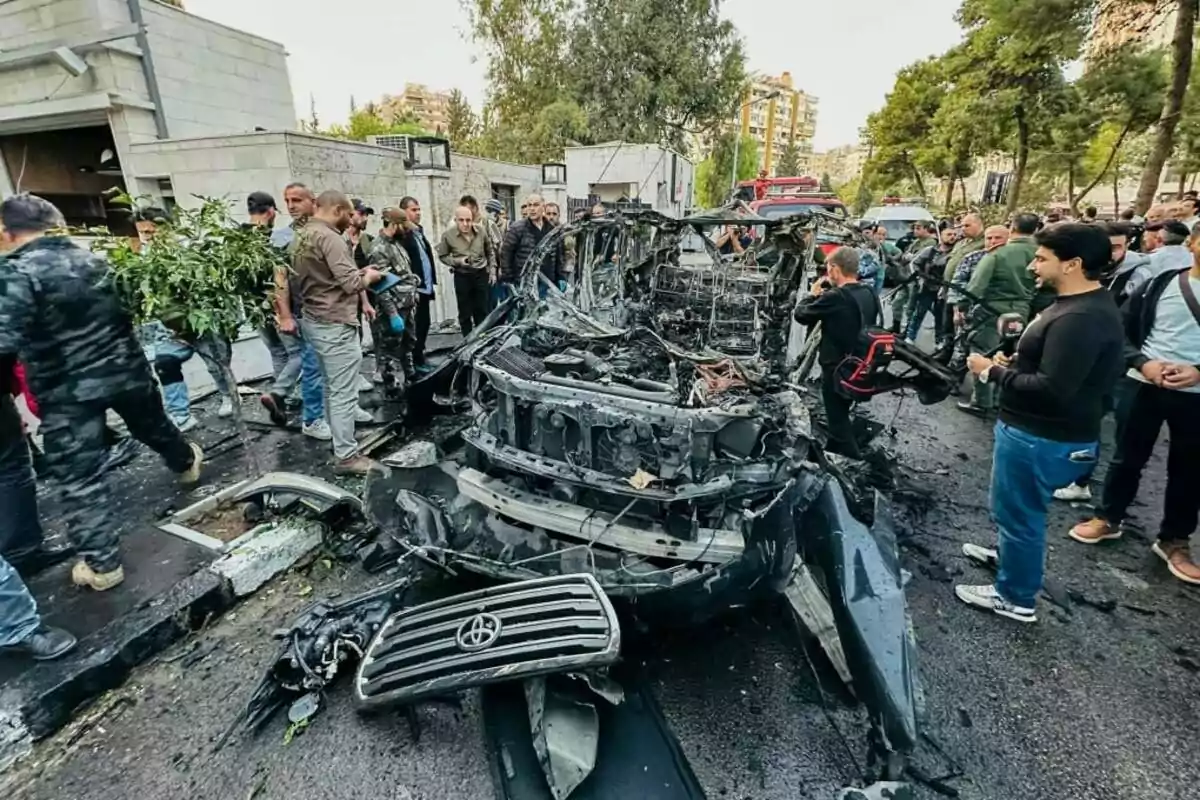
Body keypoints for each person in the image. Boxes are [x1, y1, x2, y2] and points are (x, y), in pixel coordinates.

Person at [0, 194, 203, 591]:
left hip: (68, 391)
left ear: (7, 232)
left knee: (79, 477)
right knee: (154, 427)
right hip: (127, 372)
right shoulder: (98, 260)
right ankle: (185, 462)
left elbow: (3, 343)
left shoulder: (15, 273)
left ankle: (103, 564)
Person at [956, 224, 1124, 623]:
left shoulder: (1081, 317)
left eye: (1042, 258)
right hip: (1036, 431)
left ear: (1073, 264)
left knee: (1022, 516)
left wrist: (989, 373)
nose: (1033, 265)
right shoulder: (1072, 304)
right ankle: (1012, 559)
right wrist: (1017, 363)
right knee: (1015, 512)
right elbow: (1058, 368)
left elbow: (1054, 389)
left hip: (1042, 436)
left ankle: (1015, 596)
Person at [1067, 226, 1200, 584]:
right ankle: (1109, 517)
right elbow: (1121, 328)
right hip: (1143, 384)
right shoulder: (1161, 283)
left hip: (1196, 395)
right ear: (1191, 243)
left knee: (1189, 470)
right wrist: (1143, 363)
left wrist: (1197, 371)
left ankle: (1174, 539)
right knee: (1127, 456)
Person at [1053, 221, 1153, 502]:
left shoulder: (1140, 276)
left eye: (1118, 247)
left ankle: (1094, 490)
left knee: (1110, 430)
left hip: (1123, 365)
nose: (1111, 255)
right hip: (1095, 356)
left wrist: (1138, 360)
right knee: (1084, 420)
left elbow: (1130, 325)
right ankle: (1077, 476)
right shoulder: (1094, 275)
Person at [291, 191, 384, 475]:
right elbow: (350, 284)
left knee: (332, 388)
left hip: (314, 319)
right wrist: (370, 276)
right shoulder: (331, 237)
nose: (351, 219)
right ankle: (346, 456)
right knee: (343, 393)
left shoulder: (301, 235)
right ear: (339, 210)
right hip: (334, 323)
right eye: (349, 213)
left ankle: (340, 443)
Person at [133, 207, 236, 422]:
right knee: (165, 363)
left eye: (152, 232)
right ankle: (180, 415)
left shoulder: (188, 250)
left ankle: (229, 397)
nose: (148, 238)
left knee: (217, 365)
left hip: (202, 321)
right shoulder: (145, 257)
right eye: (143, 233)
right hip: (171, 327)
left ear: (167, 228)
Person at [793, 247, 881, 459]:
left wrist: (811, 295)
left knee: (838, 418)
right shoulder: (868, 292)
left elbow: (801, 315)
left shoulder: (836, 296)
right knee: (840, 411)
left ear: (834, 268)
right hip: (860, 364)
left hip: (837, 367)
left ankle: (854, 464)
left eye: (828, 268)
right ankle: (830, 452)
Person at [258, 184, 329, 441]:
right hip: (305, 312)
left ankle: (326, 410)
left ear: (313, 201)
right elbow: (280, 280)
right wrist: (285, 315)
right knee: (311, 366)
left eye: (297, 200)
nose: (291, 205)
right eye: (287, 200)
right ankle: (313, 418)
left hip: (327, 311)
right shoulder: (282, 238)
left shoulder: (322, 230)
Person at [956, 218, 1037, 415]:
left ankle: (981, 402)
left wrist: (962, 307)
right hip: (1024, 312)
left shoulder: (997, 255)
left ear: (1012, 228)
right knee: (1010, 355)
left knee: (982, 352)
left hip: (992, 312)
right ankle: (1002, 399)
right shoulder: (1043, 253)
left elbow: (975, 287)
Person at [367, 208, 420, 396]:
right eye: (403, 226)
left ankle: (410, 376)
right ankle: (391, 386)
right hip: (394, 308)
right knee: (389, 348)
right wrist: (392, 313)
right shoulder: (378, 249)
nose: (407, 230)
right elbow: (381, 286)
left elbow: (403, 274)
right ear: (394, 225)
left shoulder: (397, 244)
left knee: (408, 343)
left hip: (407, 305)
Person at [436, 204, 496, 336]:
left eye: (468, 220)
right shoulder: (448, 235)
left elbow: (490, 251)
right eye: (461, 220)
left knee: (482, 310)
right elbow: (442, 256)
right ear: (456, 220)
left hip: (480, 274)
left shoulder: (481, 231)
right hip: (462, 276)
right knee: (464, 312)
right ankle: (467, 341)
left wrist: (492, 270)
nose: (465, 224)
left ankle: (481, 339)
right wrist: (457, 262)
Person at [397, 197, 437, 372]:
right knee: (416, 327)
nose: (418, 213)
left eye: (419, 209)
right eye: (413, 210)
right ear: (404, 212)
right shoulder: (403, 235)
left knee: (424, 323)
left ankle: (420, 357)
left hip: (425, 288)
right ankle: (414, 362)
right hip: (414, 290)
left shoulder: (418, 232)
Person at [500, 193, 565, 295]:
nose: (532, 209)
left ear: (543, 207)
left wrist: (560, 277)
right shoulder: (517, 229)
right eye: (529, 205)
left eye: (535, 205)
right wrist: (509, 280)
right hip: (525, 283)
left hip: (547, 282)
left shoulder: (552, 230)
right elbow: (505, 254)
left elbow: (558, 257)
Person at [937, 213, 984, 347]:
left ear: (979, 225)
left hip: (964, 290)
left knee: (961, 325)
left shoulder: (984, 243)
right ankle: (945, 350)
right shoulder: (961, 242)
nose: (963, 229)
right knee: (946, 322)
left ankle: (957, 357)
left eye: (967, 225)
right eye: (962, 226)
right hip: (949, 287)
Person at [905, 226, 957, 343]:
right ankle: (910, 337)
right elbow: (914, 263)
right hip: (927, 287)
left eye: (954, 234)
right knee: (918, 313)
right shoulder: (930, 251)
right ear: (941, 236)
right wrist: (919, 278)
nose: (952, 237)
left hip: (944, 290)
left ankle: (939, 341)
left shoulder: (956, 253)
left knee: (940, 317)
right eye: (949, 234)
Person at [891, 221, 937, 334]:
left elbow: (919, 258)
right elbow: (905, 255)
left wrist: (911, 257)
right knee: (897, 301)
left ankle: (908, 330)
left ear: (926, 229)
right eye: (915, 228)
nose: (915, 231)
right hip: (907, 277)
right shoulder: (916, 242)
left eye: (918, 228)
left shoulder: (931, 243)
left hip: (917, 278)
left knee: (911, 306)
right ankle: (896, 326)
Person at [346, 200, 375, 268]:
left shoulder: (369, 240)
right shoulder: (338, 238)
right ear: (350, 214)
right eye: (361, 214)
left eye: (367, 215)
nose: (365, 218)